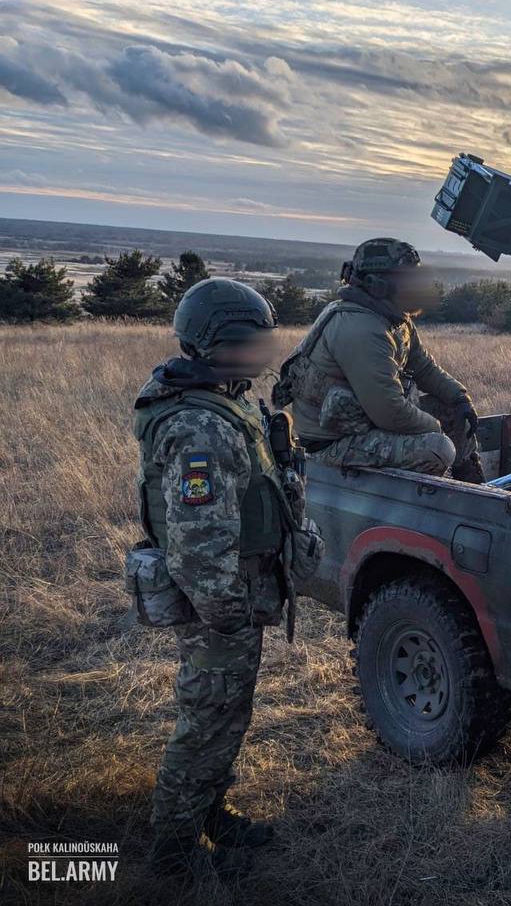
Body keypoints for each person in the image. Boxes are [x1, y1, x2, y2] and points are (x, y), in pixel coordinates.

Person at [131, 278, 318, 877]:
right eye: (246, 343)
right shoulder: (199, 427)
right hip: (219, 601)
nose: (258, 355)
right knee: (209, 715)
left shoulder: (226, 399)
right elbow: (198, 542)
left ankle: (209, 812)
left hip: (237, 592)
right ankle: (173, 850)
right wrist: (227, 612)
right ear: (211, 345)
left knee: (228, 712)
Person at [274, 238, 484, 481]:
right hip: (333, 443)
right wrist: (437, 429)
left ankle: (473, 486)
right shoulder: (361, 328)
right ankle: (427, 505)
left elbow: (423, 367)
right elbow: (389, 412)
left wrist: (459, 397)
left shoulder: (394, 318)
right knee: (437, 449)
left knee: (457, 412)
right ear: (378, 284)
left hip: (365, 423)